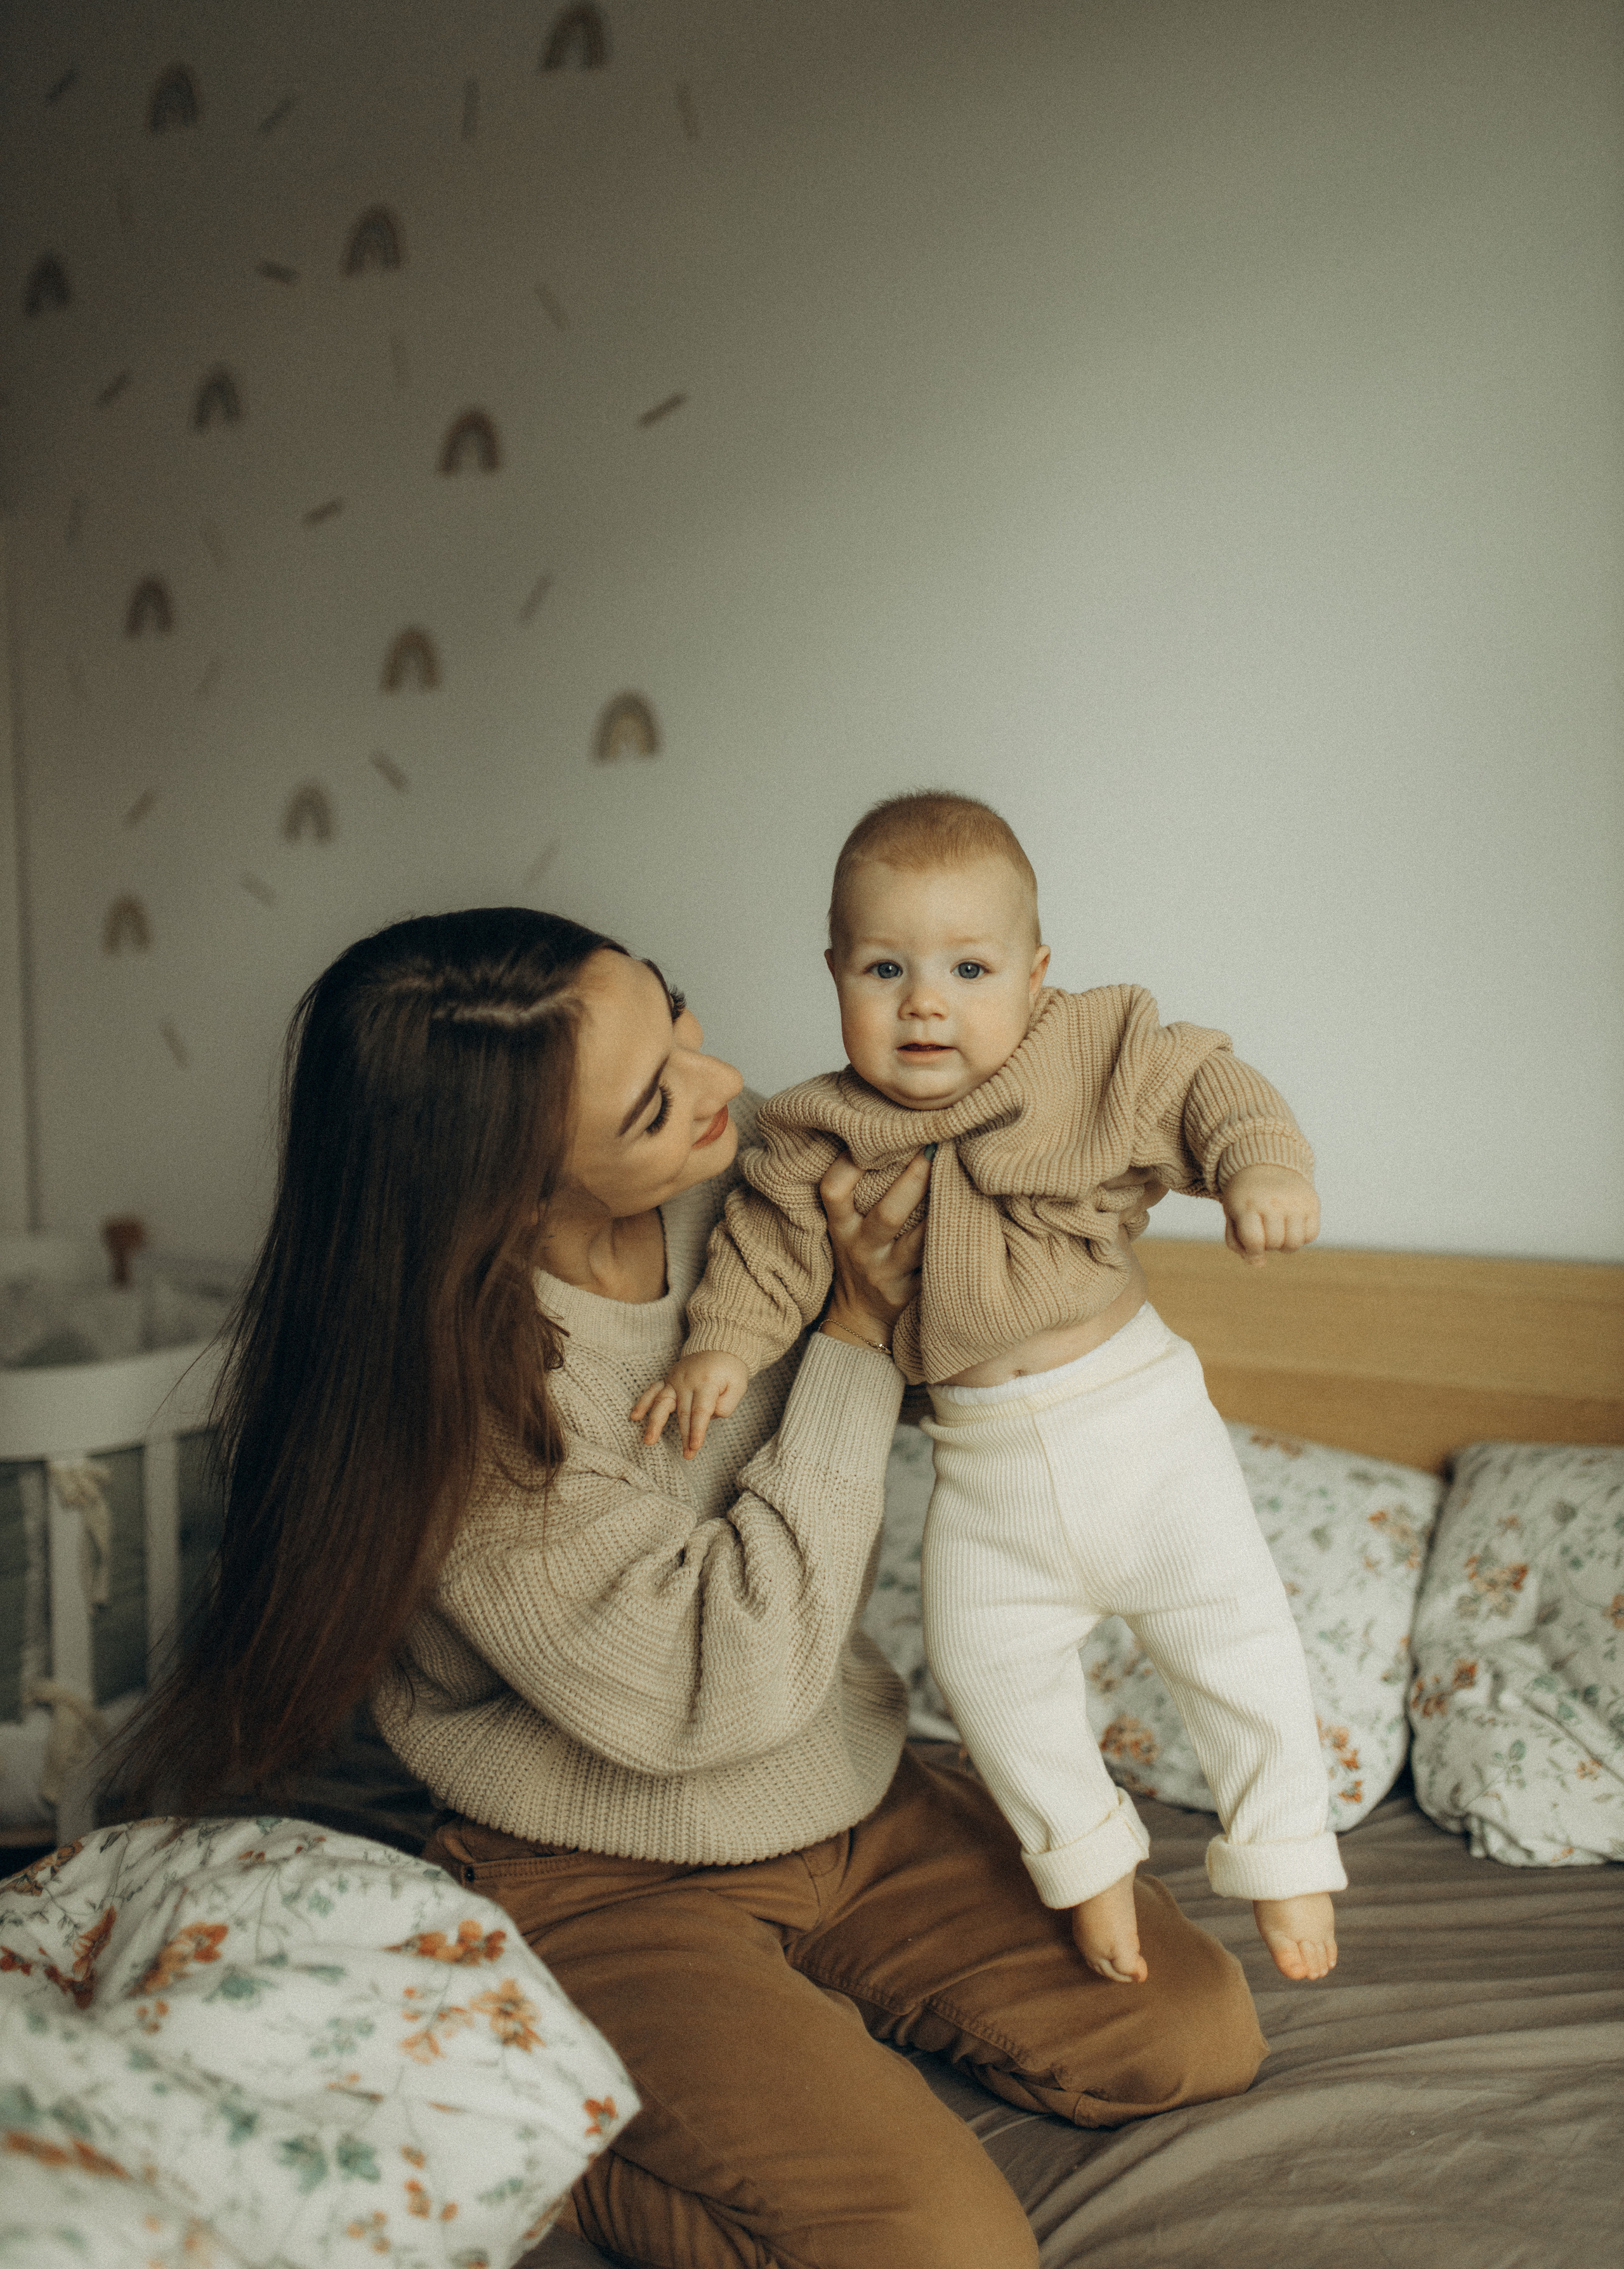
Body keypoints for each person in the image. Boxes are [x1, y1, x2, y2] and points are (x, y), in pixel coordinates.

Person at [116, 905, 1267, 2269]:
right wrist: (844, 1333)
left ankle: (803, 2008)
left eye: (677, 1016)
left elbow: (1023, 1182)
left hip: (840, 1788)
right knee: (945, 2255)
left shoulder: (752, 1179)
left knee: (1190, 2034)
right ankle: (562, 2139)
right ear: (509, 1193)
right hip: (609, 1868)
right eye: (657, 1103)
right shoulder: (461, 1424)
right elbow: (720, 1692)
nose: (726, 1086)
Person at [638, 794, 1344, 1989]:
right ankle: (1087, 1861)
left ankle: (1286, 1851)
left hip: (1143, 1431)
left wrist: (1260, 1165)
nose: (927, 1001)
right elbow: (763, 1257)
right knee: (979, 1669)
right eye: (885, 967)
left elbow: (1206, 1088)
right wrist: (720, 1348)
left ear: (1035, 973)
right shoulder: (819, 1134)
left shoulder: (1090, 1055)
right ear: (834, 976)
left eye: (970, 966)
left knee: (1239, 1643)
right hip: (983, 1469)